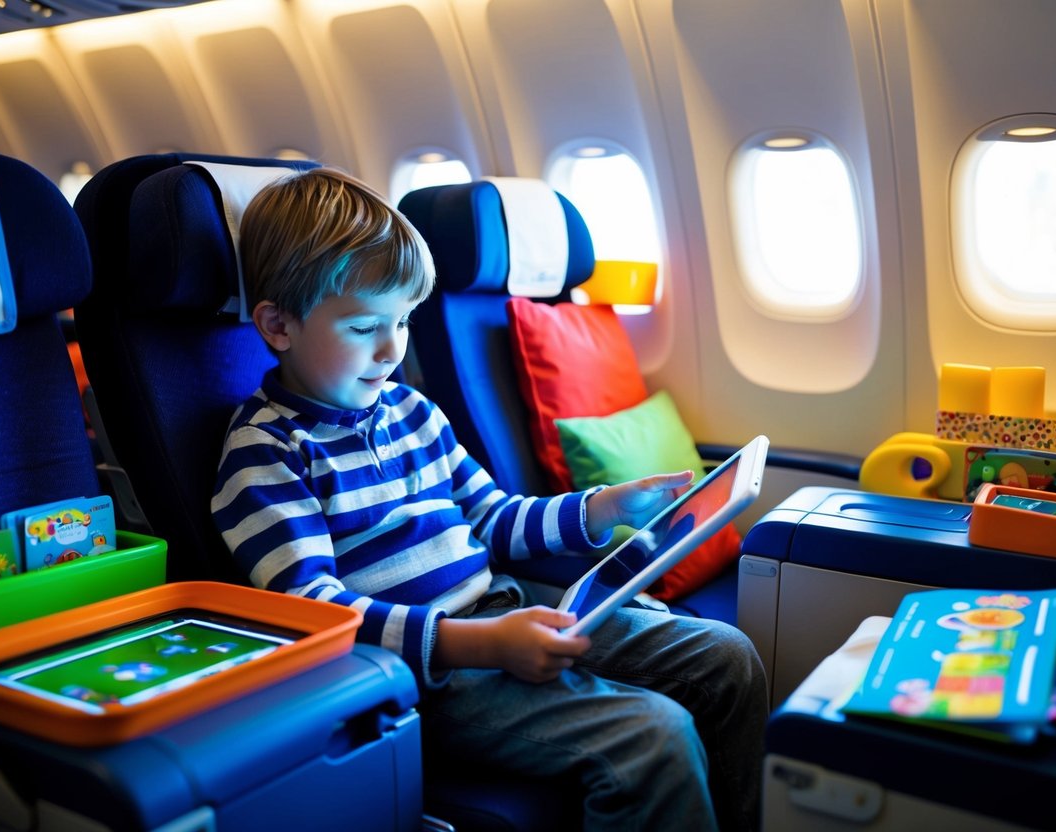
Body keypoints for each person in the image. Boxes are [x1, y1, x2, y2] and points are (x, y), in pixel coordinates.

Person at [211, 167, 767, 831]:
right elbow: (312, 612)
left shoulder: (412, 411)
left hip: (504, 609)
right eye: (365, 327)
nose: (392, 351)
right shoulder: (265, 452)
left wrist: (603, 509)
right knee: (652, 734)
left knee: (727, 658)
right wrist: (477, 644)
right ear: (277, 325)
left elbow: (493, 518)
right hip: (421, 678)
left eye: (404, 321)